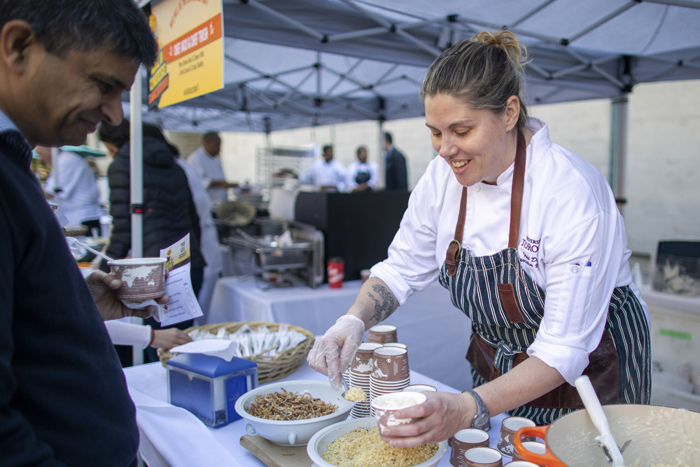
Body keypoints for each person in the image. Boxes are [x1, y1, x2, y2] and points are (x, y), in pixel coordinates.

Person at [308, 31, 651, 447]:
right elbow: (401, 268)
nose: (446, 149)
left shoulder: (569, 193)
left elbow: (563, 349)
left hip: (588, 381)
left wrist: (466, 407)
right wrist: (354, 319)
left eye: (462, 130)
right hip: (497, 376)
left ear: (509, 113)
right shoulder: (442, 178)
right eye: (435, 132)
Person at [0, 1, 163, 465]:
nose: (113, 115)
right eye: (103, 85)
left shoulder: (14, 160)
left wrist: (71, 300)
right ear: (18, 48)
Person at [99, 120, 207, 362]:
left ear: (112, 143)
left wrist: (101, 272)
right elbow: (193, 219)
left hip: (152, 271)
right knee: (182, 342)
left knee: (156, 347)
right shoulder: (176, 167)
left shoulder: (122, 166)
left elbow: (122, 229)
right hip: (188, 262)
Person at [143, 124, 224, 321]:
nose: (218, 148)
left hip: (188, 244)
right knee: (188, 309)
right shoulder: (186, 164)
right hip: (191, 242)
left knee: (186, 311)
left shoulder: (174, 169)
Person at [37, 145, 105, 232]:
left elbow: (48, 193)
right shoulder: (64, 160)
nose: (41, 158)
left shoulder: (65, 161)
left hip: (82, 218)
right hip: (78, 217)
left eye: (40, 154)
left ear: (50, 150)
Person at [187, 131, 237, 208]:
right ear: (207, 143)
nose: (219, 148)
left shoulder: (215, 158)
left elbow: (219, 177)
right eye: (217, 145)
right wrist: (220, 183)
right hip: (207, 204)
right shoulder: (196, 158)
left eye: (220, 145)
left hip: (220, 202)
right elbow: (198, 182)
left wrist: (227, 184)